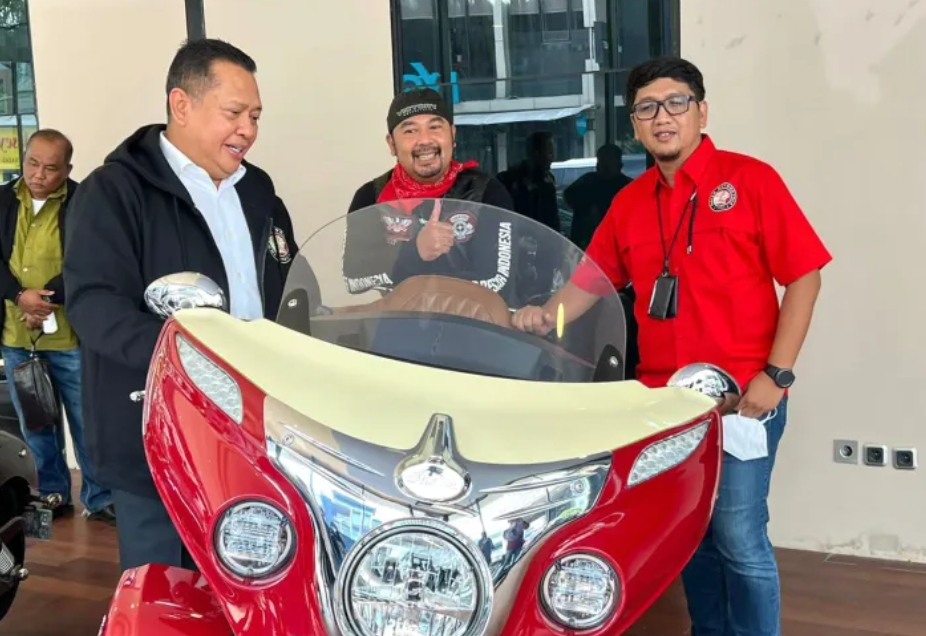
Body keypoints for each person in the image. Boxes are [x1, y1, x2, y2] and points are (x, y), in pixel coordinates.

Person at [511, 56, 832, 636]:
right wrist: (543, 317)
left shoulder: (751, 180)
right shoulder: (630, 203)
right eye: (647, 108)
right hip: (665, 405)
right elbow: (592, 282)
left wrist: (777, 375)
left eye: (676, 103)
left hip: (744, 398)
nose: (663, 117)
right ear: (635, 125)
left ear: (701, 112)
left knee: (739, 536)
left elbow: (804, 276)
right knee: (691, 533)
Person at [62, 39, 297, 571]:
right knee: (166, 588)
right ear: (181, 104)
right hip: (159, 435)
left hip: (255, 430)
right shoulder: (113, 192)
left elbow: (287, 290)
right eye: (234, 113)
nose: (248, 130)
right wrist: (194, 361)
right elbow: (95, 307)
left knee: (250, 578)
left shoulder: (257, 189)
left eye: (256, 116)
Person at [0, 130, 115, 524]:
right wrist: (20, 297)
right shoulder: (3, 199)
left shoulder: (84, 202)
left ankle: (100, 497)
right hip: (17, 335)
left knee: (87, 421)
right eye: (32, 163)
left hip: (70, 335)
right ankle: (52, 493)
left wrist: (44, 299)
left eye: (50, 168)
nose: (38, 174)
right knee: (36, 422)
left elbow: (92, 260)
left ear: (67, 169)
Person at [343, 89, 518, 300]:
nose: (425, 140)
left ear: (452, 134)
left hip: (473, 317)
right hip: (398, 317)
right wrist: (415, 251)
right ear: (392, 144)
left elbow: (500, 278)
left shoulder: (487, 192)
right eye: (410, 131)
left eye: (435, 127)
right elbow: (353, 280)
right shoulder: (371, 197)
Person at [563, 143, 633, 250]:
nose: (600, 167)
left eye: (607, 164)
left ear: (619, 165)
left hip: (616, 245)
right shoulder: (587, 181)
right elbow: (568, 196)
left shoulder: (628, 188)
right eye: (600, 162)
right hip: (586, 245)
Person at [496, 131, 561, 233]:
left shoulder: (548, 181)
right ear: (536, 153)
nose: (553, 158)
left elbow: (553, 219)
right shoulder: (510, 180)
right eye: (549, 153)